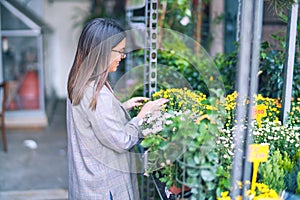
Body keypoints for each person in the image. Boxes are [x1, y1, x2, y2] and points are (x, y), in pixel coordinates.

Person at [66, 18, 168, 200]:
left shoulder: (80, 80)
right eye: (120, 51)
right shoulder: (97, 93)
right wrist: (142, 117)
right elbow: (122, 141)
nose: (123, 56)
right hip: (105, 188)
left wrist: (121, 107)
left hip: (89, 183)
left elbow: (93, 119)